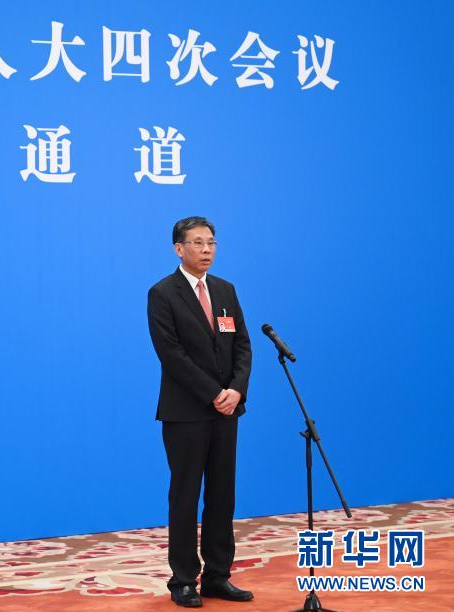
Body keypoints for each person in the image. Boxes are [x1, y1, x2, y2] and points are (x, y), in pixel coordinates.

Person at [147, 216, 254, 608]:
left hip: (226, 411)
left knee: (223, 495)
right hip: (186, 412)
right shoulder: (163, 293)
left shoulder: (225, 290)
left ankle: (217, 576)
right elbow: (171, 354)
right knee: (186, 495)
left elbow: (242, 345)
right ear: (179, 248)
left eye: (211, 242)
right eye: (197, 243)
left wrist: (236, 390)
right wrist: (214, 393)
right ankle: (183, 580)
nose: (206, 249)